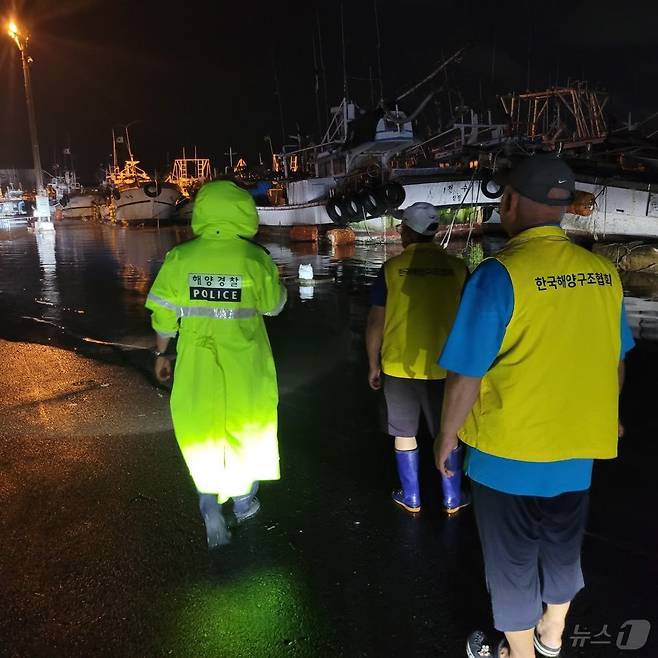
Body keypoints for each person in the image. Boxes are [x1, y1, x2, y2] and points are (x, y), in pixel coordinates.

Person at [433, 156, 635, 658]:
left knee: (512, 562)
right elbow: (614, 361)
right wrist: (608, 415)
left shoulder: (499, 275)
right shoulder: (601, 273)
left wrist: (445, 435)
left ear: (511, 202)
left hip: (509, 453)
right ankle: (553, 636)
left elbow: (467, 374)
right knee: (564, 545)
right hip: (578, 448)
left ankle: (518, 652)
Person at [145, 180, 287, 549]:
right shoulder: (256, 259)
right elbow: (274, 305)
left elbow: (163, 317)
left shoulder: (181, 259)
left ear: (203, 212)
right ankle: (243, 502)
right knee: (247, 428)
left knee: (201, 429)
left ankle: (208, 501)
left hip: (197, 361)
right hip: (246, 364)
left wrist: (162, 353)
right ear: (244, 212)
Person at [366, 202, 469, 515]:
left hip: (399, 366)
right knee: (447, 429)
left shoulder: (391, 270)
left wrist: (373, 363)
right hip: (448, 367)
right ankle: (452, 497)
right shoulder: (459, 269)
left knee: (404, 432)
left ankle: (412, 496)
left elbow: (375, 323)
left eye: (401, 228)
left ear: (408, 231)